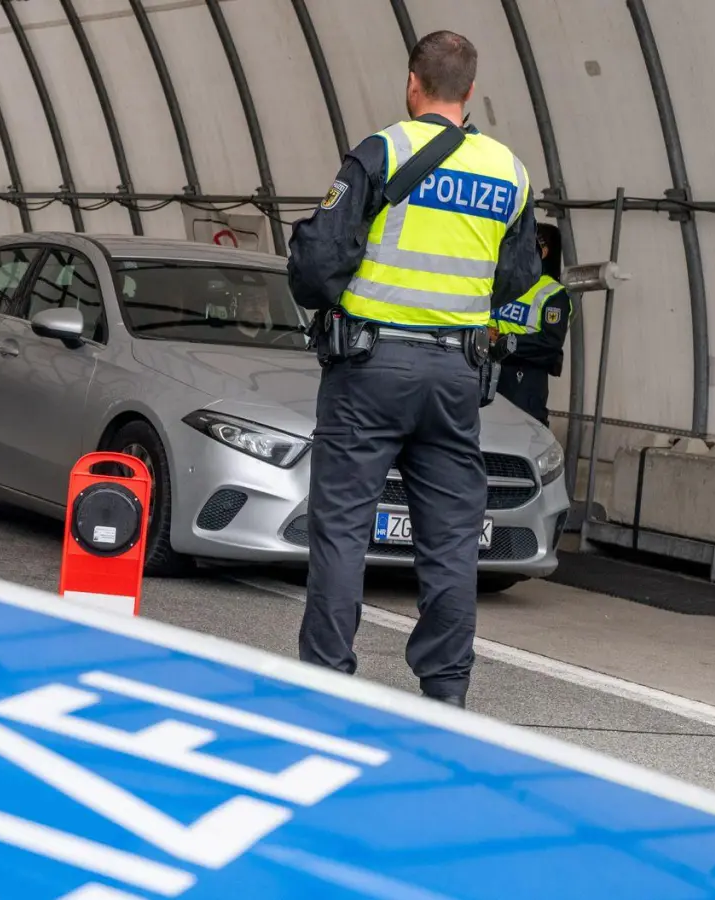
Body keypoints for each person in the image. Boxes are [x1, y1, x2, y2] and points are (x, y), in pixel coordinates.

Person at [285, 30, 542, 709]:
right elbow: (518, 277)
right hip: (457, 373)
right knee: (453, 538)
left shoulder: (383, 150)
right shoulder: (509, 172)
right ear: (471, 91)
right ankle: (446, 691)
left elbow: (316, 266)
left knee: (342, 524)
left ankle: (326, 677)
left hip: (370, 367)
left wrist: (341, 294)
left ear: (412, 83)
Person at [490, 222, 571, 425]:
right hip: (486, 371)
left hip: (523, 379)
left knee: (522, 431)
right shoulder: (500, 281)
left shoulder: (552, 293)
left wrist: (503, 341)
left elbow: (549, 344)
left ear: (544, 252)